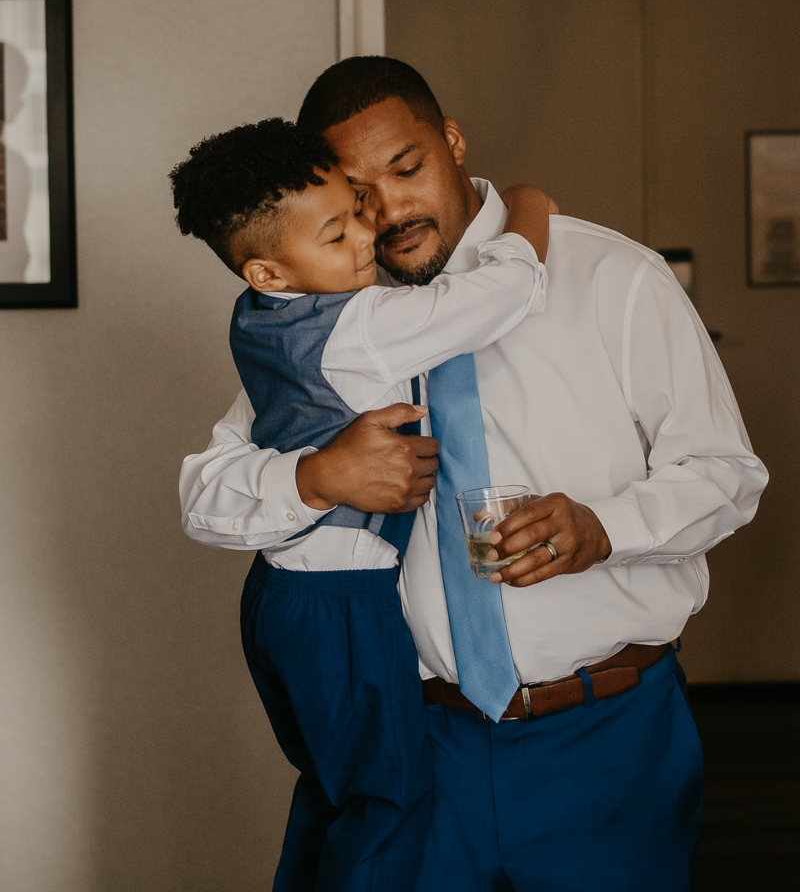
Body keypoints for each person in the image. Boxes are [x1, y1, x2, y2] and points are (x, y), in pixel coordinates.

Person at [180, 57, 768, 892]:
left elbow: (726, 474)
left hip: (607, 742)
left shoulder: (614, 279)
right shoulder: (330, 324)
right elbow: (206, 497)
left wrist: (604, 529)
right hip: (420, 749)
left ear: (452, 142)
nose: (385, 210)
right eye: (357, 193)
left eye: (407, 168)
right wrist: (317, 477)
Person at [170, 114, 551, 892]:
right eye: (337, 233)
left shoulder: (264, 322)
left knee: (339, 797)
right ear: (268, 272)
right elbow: (505, 292)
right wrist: (529, 206)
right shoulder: (362, 324)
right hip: (342, 607)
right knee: (390, 801)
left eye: (355, 216)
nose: (365, 241)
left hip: (281, 600)